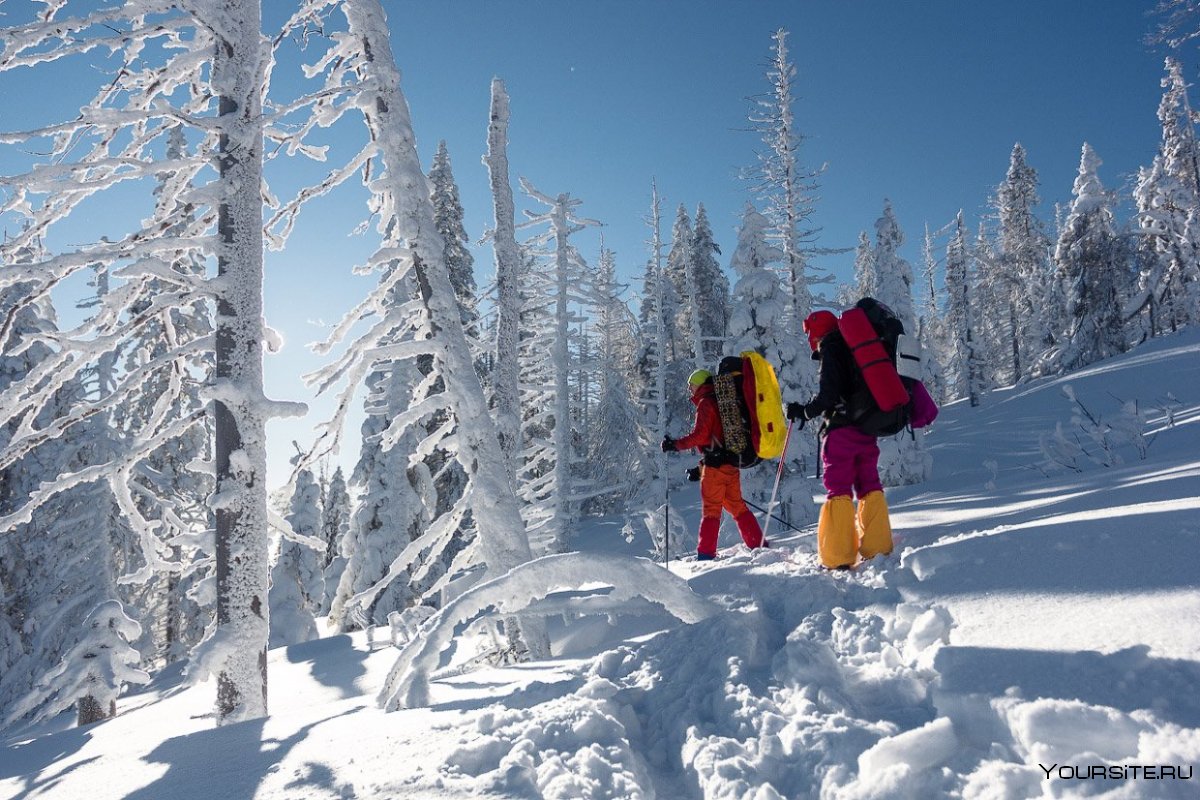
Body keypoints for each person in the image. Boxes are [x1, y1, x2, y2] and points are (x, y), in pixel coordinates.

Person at [786, 310, 893, 570]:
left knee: (839, 488)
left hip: (841, 431)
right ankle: (877, 545)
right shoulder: (855, 348)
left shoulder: (831, 348)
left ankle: (838, 555)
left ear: (815, 332)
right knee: (869, 483)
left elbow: (829, 395)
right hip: (866, 428)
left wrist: (804, 411)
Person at [662, 369, 766, 560]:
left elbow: (701, 435)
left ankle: (706, 554)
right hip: (730, 464)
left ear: (701, 384)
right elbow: (719, 440)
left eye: (691, 384)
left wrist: (675, 445)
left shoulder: (705, 403)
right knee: (737, 507)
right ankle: (758, 544)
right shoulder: (722, 402)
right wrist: (700, 467)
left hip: (715, 469)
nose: (690, 389)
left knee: (711, 510)